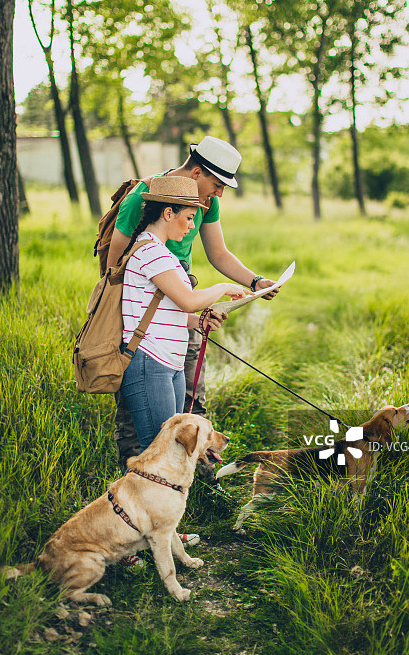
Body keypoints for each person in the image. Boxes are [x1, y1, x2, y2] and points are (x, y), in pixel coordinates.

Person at [108, 136, 279, 479]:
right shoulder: (142, 200)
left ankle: (193, 478)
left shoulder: (206, 200)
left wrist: (254, 282)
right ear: (197, 172)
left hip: (182, 299)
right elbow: (115, 270)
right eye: (217, 185)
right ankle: (137, 478)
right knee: (141, 414)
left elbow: (218, 254)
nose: (218, 196)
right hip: (148, 316)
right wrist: (157, 306)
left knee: (190, 395)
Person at [118, 175, 247, 558]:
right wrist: (222, 289)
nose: (192, 226)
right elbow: (188, 300)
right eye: (189, 217)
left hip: (170, 363)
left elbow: (173, 310)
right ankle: (129, 543)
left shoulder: (163, 253)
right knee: (153, 456)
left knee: (168, 455)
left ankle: (165, 534)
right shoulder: (150, 251)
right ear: (167, 212)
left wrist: (200, 320)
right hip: (150, 363)